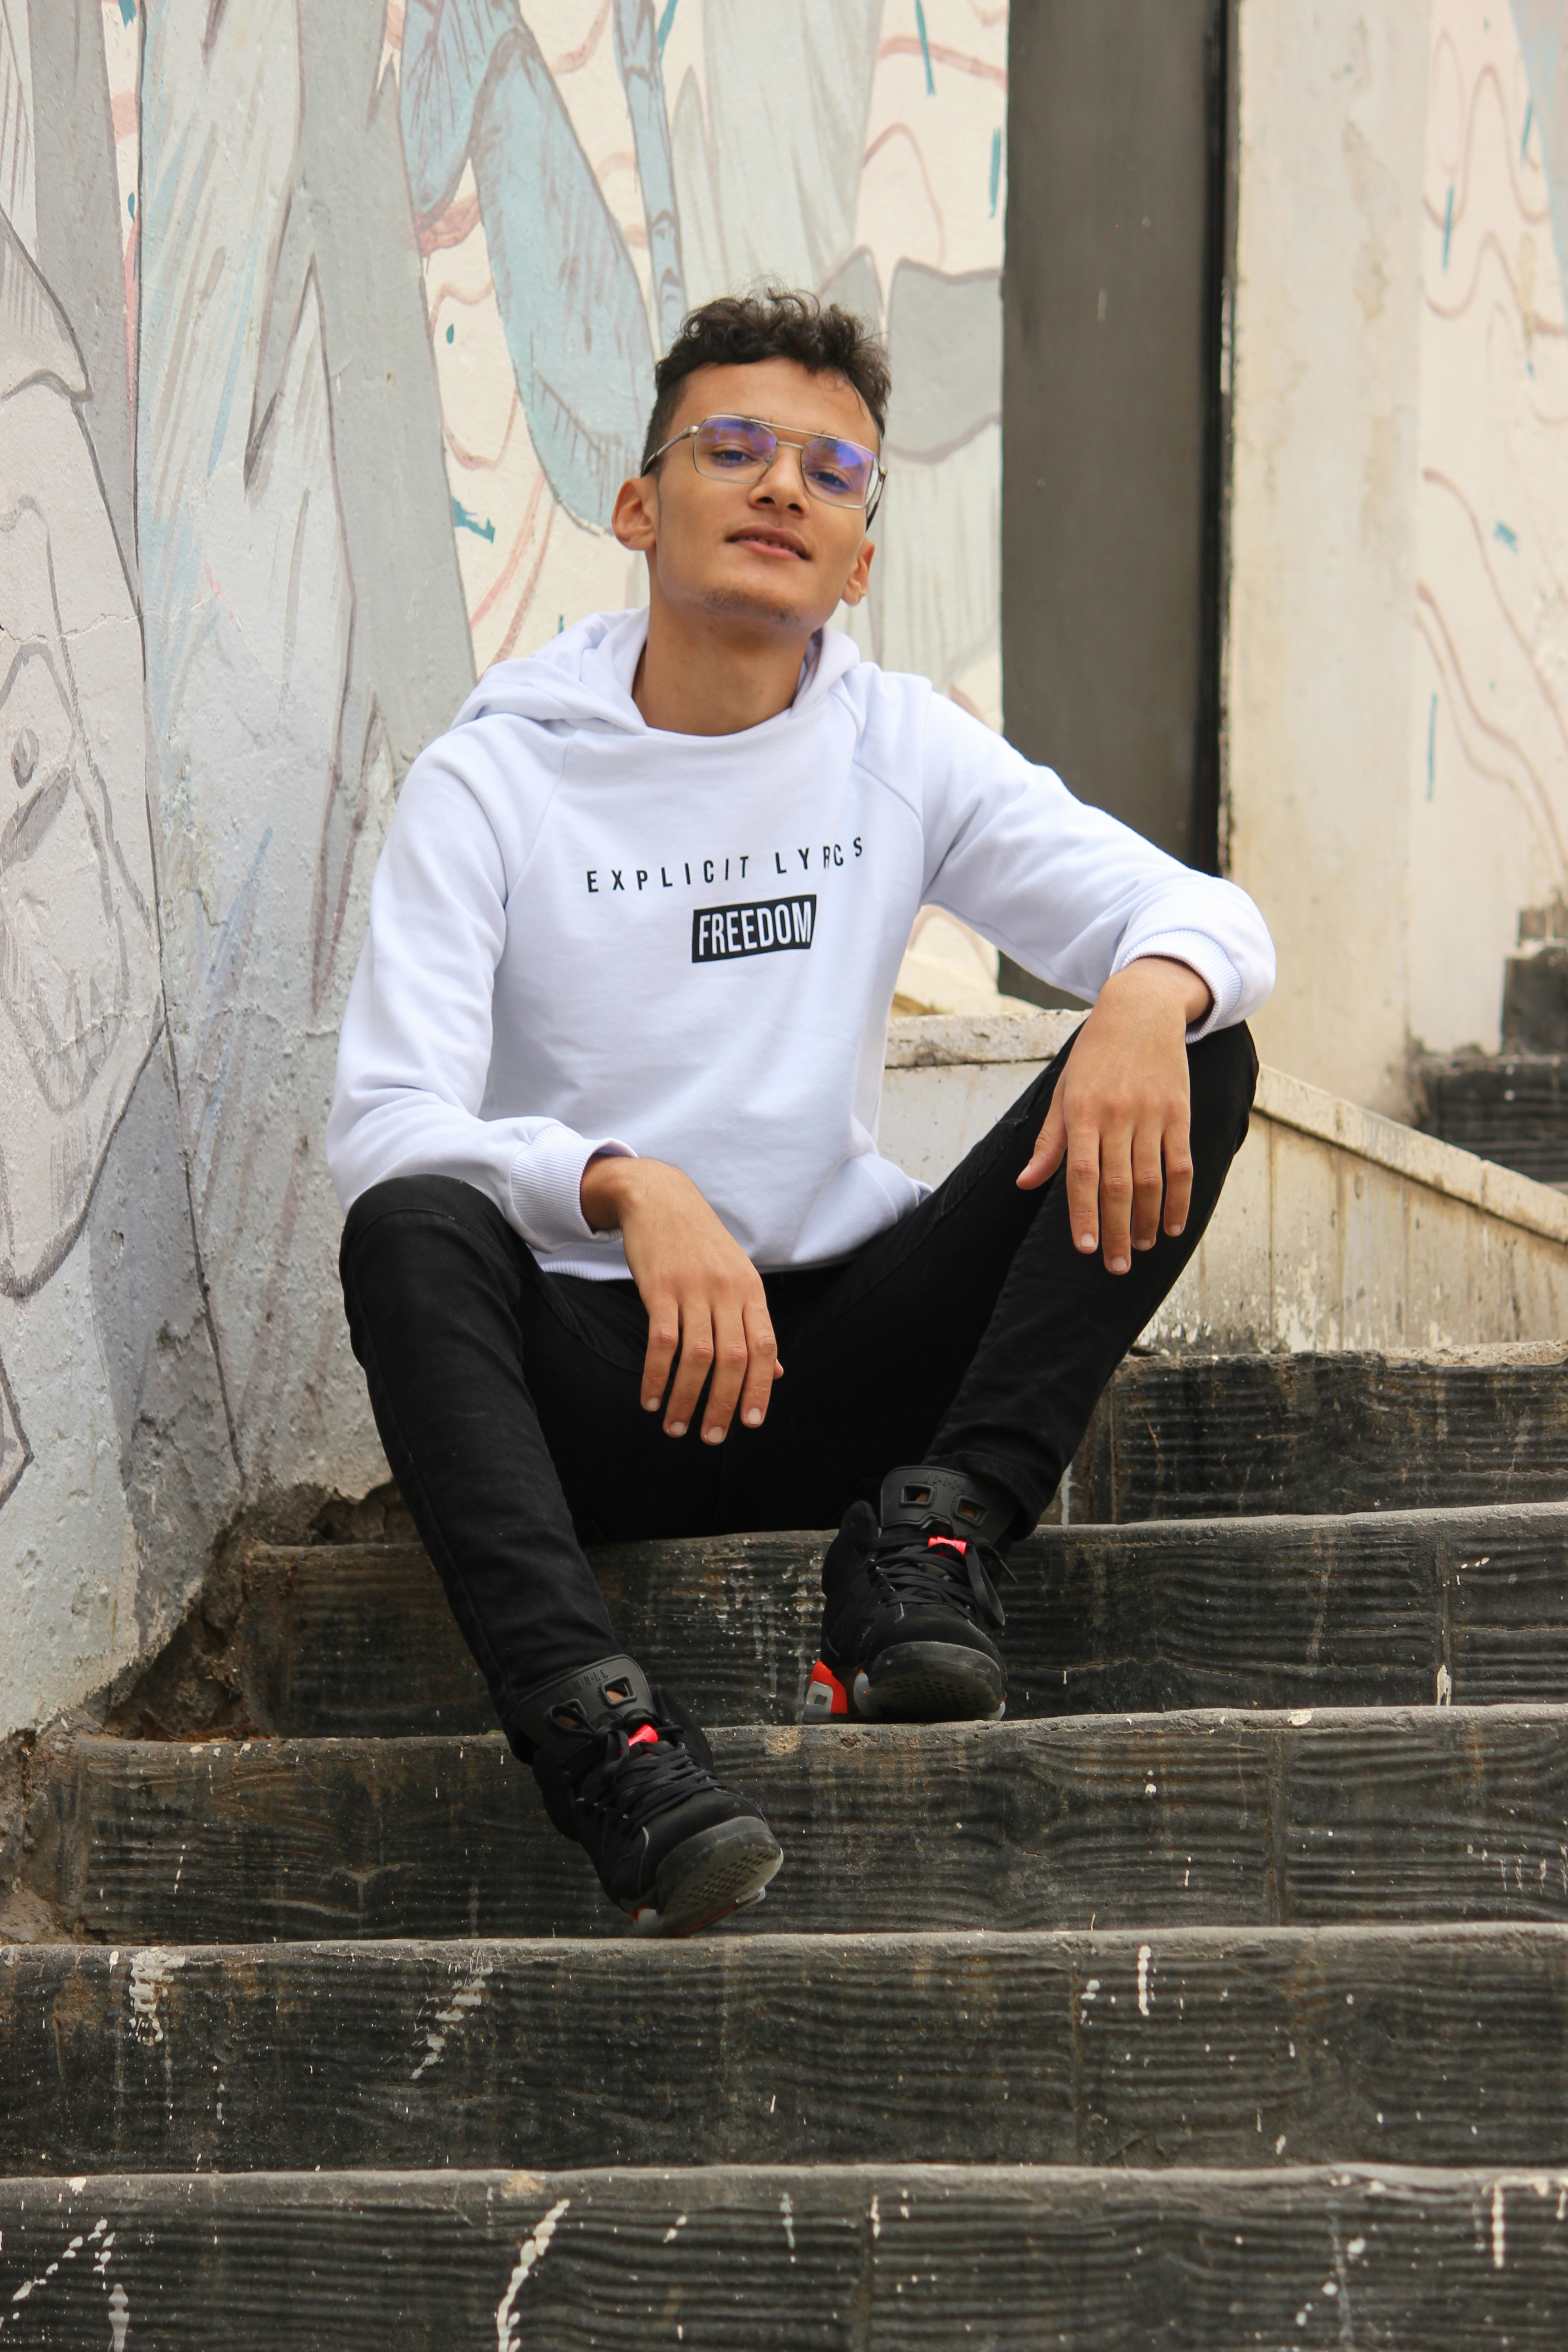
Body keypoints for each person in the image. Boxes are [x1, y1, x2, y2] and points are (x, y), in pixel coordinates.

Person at [326, 290, 1274, 1940]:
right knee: (412, 1228)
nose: (784, 487)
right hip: (595, 1393)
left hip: (844, 1375)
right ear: (639, 506)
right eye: (735, 448)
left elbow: (1214, 922)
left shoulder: (894, 745)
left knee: (1199, 1039)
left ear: (858, 556)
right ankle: (612, 1748)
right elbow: (387, 1122)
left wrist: (1144, 989)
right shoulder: (493, 781)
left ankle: (940, 1540)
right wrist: (619, 1183)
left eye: (833, 471)